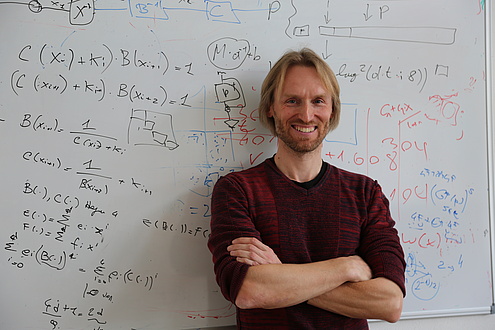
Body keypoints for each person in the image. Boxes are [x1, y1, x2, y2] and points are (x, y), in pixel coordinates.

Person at [207, 48, 406, 329]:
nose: (306, 114)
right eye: (292, 101)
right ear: (271, 108)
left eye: (318, 101)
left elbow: (389, 303)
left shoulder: (365, 193)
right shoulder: (237, 191)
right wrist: (346, 267)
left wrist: (278, 275)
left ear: (332, 109)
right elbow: (249, 291)